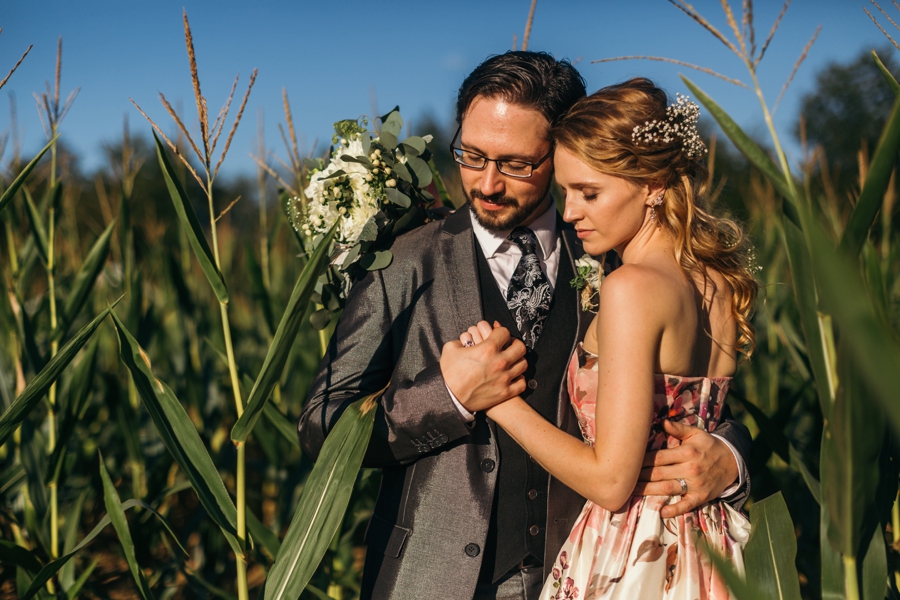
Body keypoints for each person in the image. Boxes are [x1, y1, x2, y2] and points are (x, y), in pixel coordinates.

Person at [298, 52, 752, 600]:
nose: (487, 183)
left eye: (517, 163)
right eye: (471, 155)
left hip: (598, 570)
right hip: (434, 582)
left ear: (558, 151)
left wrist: (729, 459)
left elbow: (687, 403)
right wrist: (450, 396)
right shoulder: (404, 264)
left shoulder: (616, 254)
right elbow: (322, 426)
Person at [459, 78, 756, 599]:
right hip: (705, 542)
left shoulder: (630, 289)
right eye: (566, 192)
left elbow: (612, 482)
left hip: (635, 550)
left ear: (653, 185)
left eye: (589, 193)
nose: (571, 213)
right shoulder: (718, 284)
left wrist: (498, 402)